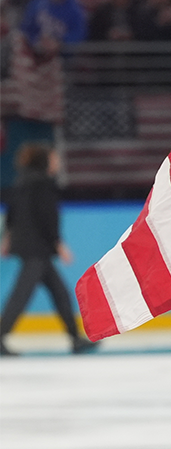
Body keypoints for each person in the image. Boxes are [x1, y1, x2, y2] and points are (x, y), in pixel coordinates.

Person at [0, 143, 96, 356]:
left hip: (28, 246)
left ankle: (75, 338)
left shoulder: (21, 182)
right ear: (44, 161)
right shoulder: (43, 184)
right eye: (54, 159)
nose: (57, 162)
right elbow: (47, 217)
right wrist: (58, 243)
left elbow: (12, 212)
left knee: (59, 292)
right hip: (38, 248)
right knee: (22, 294)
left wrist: (8, 238)